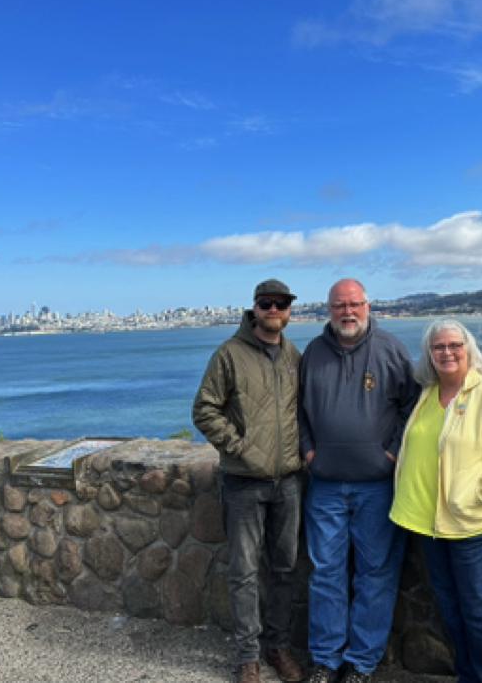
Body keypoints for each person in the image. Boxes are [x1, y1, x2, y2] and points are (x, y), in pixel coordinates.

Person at [389, 318, 482, 683]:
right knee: (453, 612)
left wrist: (476, 496)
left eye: (455, 345)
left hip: (477, 526)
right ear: (429, 354)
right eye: (439, 347)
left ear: (469, 350)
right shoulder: (427, 395)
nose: (447, 352)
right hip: (432, 525)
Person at [298, 278, 419, 683]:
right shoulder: (313, 353)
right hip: (325, 485)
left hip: (377, 485)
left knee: (376, 574)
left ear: (368, 306)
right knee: (325, 573)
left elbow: (412, 407)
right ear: (327, 310)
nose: (347, 312)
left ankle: (362, 662)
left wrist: (392, 452)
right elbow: (296, 410)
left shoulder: (391, 349)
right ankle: (326, 659)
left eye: (354, 304)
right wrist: (308, 449)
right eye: (338, 306)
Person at [192, 279, 306, 683]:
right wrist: (238, 447)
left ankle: (278, 647)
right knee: (243, 571)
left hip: (289, 482)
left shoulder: (293, 354)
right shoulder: (229, 354)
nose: (274, 309)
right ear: (254, 308)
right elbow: (205, 410)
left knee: (284, 569)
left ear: (289, 309)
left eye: (281, 304)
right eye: (266, 303)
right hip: (243, 482)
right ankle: (248, 656)